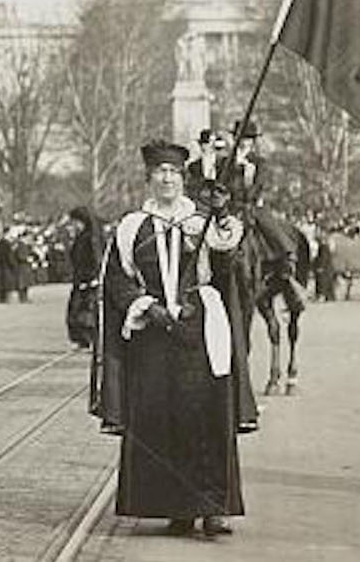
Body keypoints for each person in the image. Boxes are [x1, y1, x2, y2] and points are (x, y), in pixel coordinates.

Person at [98, 139, 246, 538]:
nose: (167, 178)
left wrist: (221, 213)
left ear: (184, 179)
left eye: (174, 173)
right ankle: (176, 506)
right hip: (153, 333)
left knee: (207, 415)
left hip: (198, 329)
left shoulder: (203, 223)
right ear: (149, 178)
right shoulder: (132, 227)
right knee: (161, 418)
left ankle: (215, 507)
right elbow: (116, 279)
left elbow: (225, 261)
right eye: (160, 172)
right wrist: (148, 307)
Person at [65, 205, 103, 350]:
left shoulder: (91, 238)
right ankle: (82, 340)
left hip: (89, 281)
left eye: (75, 222)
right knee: (77, 311)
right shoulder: (81, 237)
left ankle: (89, 339)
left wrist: (93, 278)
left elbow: (96, 259)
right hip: (80, 279)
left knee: (86, 311)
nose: (73, 226)